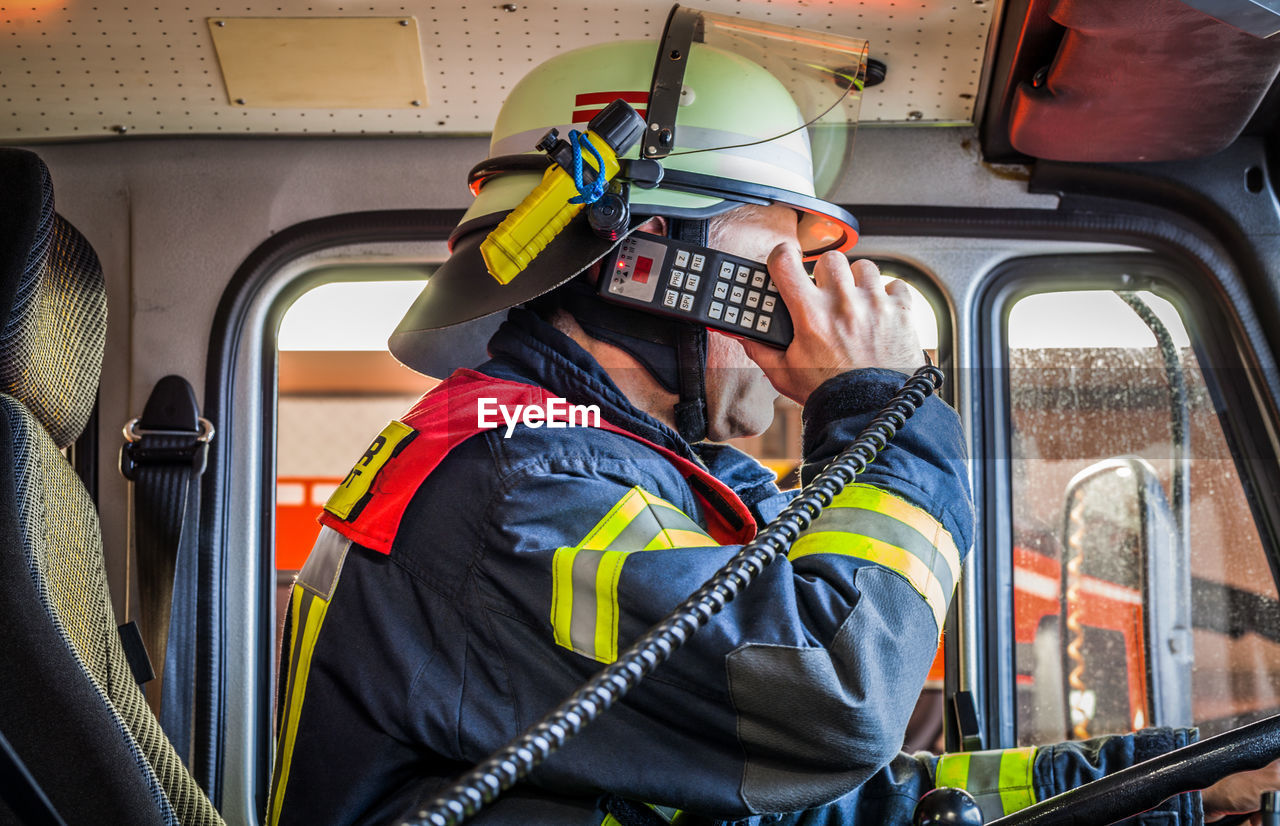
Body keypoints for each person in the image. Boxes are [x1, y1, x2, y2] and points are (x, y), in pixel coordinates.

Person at [267, 9, 1279, 825]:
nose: (819, 292)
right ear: (651, 264)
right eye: (782, 257)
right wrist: (877, 403)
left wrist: (1170, 786)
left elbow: (836, 799)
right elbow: (835, 703)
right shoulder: (523, 494)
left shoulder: (634, 472)